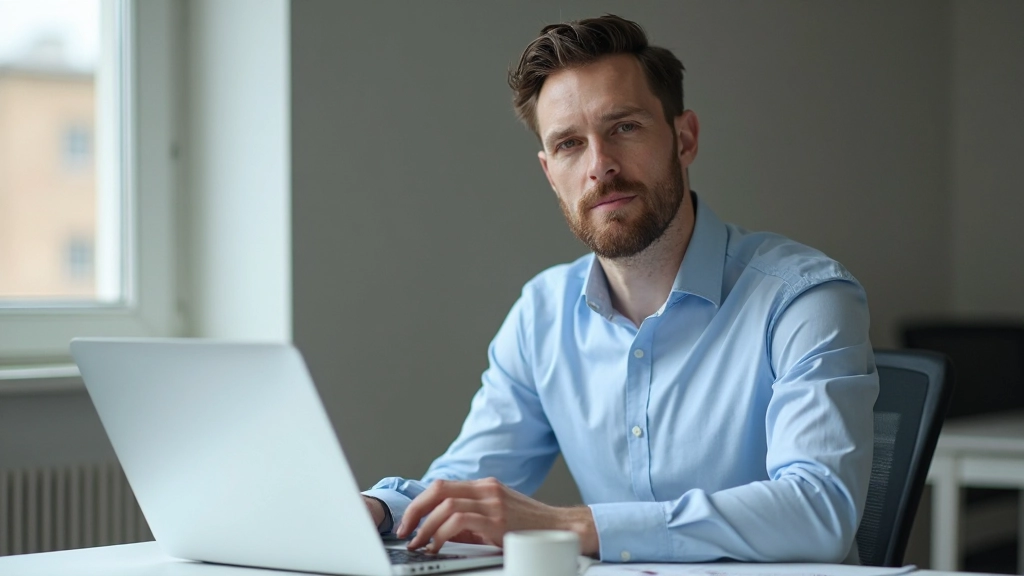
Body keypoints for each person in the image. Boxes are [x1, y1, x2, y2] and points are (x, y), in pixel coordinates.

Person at [361, 14, 878, 564]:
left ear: (684, 139)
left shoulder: (803, 299)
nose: (599, 166)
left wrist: (573, 526)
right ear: (549, 173)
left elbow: (817, 510)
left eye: (624, 127)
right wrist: (379, 509)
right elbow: (468, 485)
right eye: (568, 145)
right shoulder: (543, 314)